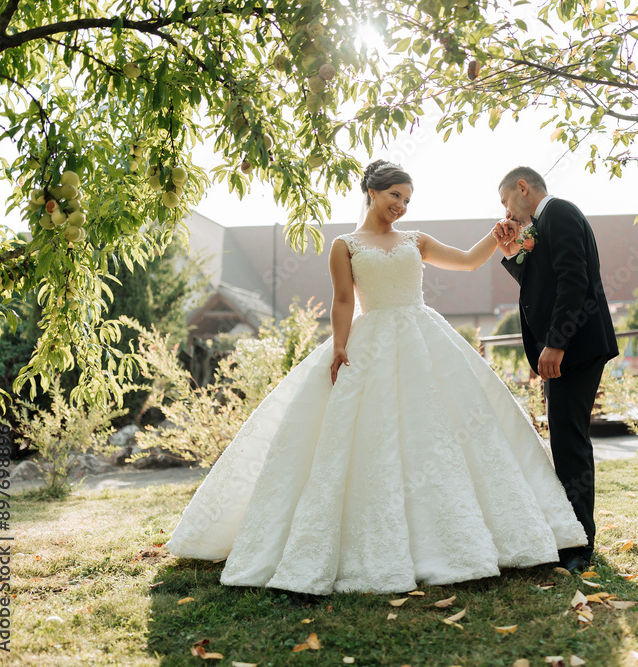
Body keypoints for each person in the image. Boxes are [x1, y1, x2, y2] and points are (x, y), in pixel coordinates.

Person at [164, 159, 588, 596]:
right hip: (369, 342)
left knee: (436, 431)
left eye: (407, 199)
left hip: (423, 339)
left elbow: (466, 262)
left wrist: (496, 236)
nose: (401, 205)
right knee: (366, 436)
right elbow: (343, 300)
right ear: (372, 192)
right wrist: (339, 345)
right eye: (395, 196)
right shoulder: (344, 245)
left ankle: (463, 535)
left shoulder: (415, 240)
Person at [494, 166, 620, 573]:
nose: (507, 212)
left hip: (575, 347)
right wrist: (512, 252)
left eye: (506, 201)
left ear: (523, 188)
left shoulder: (560, 212)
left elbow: (573, 279)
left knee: (569, 443)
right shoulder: (543, 223)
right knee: (565, 439)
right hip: (570, 348)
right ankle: (571, 534)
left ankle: (579, 546)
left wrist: (556, 342)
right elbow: (540, 284)